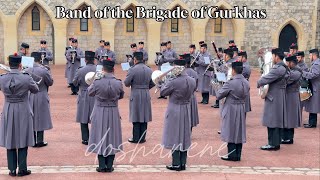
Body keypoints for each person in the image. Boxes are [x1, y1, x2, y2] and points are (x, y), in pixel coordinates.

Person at [0, 53, 39, 177]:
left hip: (8, 108)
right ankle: (22, 169)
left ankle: (12, 169)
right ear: (20, 65)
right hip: (23, 109)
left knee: (10, 139)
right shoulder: (26, 77)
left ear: (9, 64)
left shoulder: (2, 78)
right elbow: (36, 90)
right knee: (23, 138)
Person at [88, 60, 124, 173]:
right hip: (113, 111)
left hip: (99, 111)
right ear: (113, 70)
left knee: (100, 136)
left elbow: (90, 92)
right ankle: (110, 165)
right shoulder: (118, 82)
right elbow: (121, 95)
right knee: (112, 137)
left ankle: (102, 165)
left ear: (103, 70)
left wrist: (95, 80)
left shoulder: (97, 82)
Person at [160, 58, 196, 171]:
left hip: (174, 108)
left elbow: (163, 92)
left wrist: (165, 81)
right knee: (184, 135)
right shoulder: (192, 80)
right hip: (186, 108)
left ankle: (176, 163)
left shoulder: (174, 81)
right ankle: (183, 163)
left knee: (175, 135)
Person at [216, 61, 249, 161]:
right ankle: (238, 154)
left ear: (233, 70)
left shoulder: (231, 82)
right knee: (239, 131)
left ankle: (231, 155)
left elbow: (219, 95)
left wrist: (219, 87)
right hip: (241, 107)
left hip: (231, 108)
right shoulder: (246, 82)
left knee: (230, 131)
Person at [257, 48, 288, 151]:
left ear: (276, 57)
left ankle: (273, 144)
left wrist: (259, 82)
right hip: (278, 95)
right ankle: (275, 142)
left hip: (274, 97)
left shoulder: (278, 68)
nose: (272, 58)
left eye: (273, 56)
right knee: (276, 120)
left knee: (272, 120)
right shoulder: (283, 67)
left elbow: (266, 79)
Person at [124, 52, 155, 143]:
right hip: (145, 93)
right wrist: (145, 88)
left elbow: (126, 83)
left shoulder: (132, 69)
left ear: (135, 60)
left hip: (136, 93)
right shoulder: (149, 69)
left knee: (136, 115)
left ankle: (136, 137)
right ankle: (142, 137)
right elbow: (153, 83)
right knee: (144, 115)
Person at [27, 52, 54, 148]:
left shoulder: (27, 70)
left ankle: (32, 139)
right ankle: (39, 140)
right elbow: (50, 82)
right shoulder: (43, 70)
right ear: (40, 59)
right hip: (41, 94)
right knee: (41, 117)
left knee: (32, 117)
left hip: (30, 95)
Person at [73, 51, 96, 145]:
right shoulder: (98, 69)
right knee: (96, 116)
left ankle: (85, 139)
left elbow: (74, 82)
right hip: (95, 94)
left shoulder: (80, 70)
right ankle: (95, 137)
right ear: (94, 60)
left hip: (83, 93)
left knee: (83, 116)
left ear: (85, 60)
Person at [282, 55, 302, 144]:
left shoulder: (297, 71)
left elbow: (287, 79)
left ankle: (289, 138)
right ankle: (285, 136)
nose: (286, 64)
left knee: (290, 117)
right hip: (288, 95)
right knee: (287, 117)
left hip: (292, 95)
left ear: (291, 63)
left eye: (287, 63)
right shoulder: (292, 70)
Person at [302, 49, 320, 128]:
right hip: (314, 87)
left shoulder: (317, 64)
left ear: (314, 55)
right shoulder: (315, 63)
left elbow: (314, 75)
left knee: (314, 105)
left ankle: (312, 123)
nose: (309, 57)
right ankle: (311, 122)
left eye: (310, 55)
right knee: (313, 105)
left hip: (315, 87)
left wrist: (303, 73)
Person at [182, 53, 199, 131]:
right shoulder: (194, 72)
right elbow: (196, 86)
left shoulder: (181, 72)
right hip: (191, 96)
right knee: (191, 115)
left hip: (183, 97)